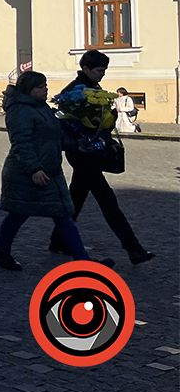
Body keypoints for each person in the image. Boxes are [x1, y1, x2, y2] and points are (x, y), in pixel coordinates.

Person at [0, 72, 111, 271]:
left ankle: (82, 259)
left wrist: (77, 145)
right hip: (28, 173)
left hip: (50, 172)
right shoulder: (20, 111)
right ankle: (2, 253)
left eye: (45, 85)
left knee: (62, 215)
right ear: (28, 90)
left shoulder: (42, 107)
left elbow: (54, 137)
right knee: (19, 214)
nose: (45, 89)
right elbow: (21, 143)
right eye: (40, 87)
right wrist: (34, 169)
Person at [48, 50, 154, 265]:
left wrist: (107, 123)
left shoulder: (92, 88)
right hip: (84, 154)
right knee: (108, 202)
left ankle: (58, 240)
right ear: (86, 68)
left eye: (104, 70)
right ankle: (134, 249)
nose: (102, 74)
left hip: (91, 153)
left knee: (76, 198)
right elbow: (67, 122)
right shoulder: (75, 91)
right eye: (99, 70)